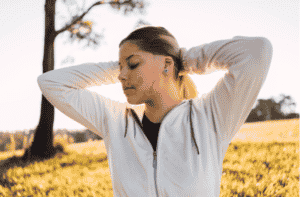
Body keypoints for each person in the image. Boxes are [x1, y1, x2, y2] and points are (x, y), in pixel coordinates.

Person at [37, 26, 273, 197]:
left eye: (133, 64)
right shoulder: (117, 121)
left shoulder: (209, 117)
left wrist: (183, 59)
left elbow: (257, 51)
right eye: (120, 68)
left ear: (167, 65)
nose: (121, 75)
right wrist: (119, 67)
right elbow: (51, 82)